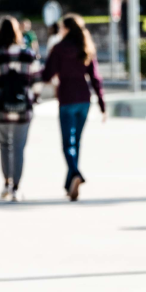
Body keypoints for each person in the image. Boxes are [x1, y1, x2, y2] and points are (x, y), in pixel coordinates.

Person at [42, 14, 106, 201]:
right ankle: (69, 182)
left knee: (67, 143)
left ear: (67, 29)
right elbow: (95, 78)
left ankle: (75, 173)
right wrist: (102, 104)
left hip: (67, 99)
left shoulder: (59, 48)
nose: (60, 30)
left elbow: (47, 75)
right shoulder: (86, 47)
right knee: (76, 141)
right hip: (84, 99)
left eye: (62, 27)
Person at [0, 17, 41, 201]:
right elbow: (37, 81)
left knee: (4, 145)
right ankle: (16, 187)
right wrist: (34, 98)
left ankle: (6, 183)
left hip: (0, 107)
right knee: (18, 147)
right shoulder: (28, 54)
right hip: (22, 107)